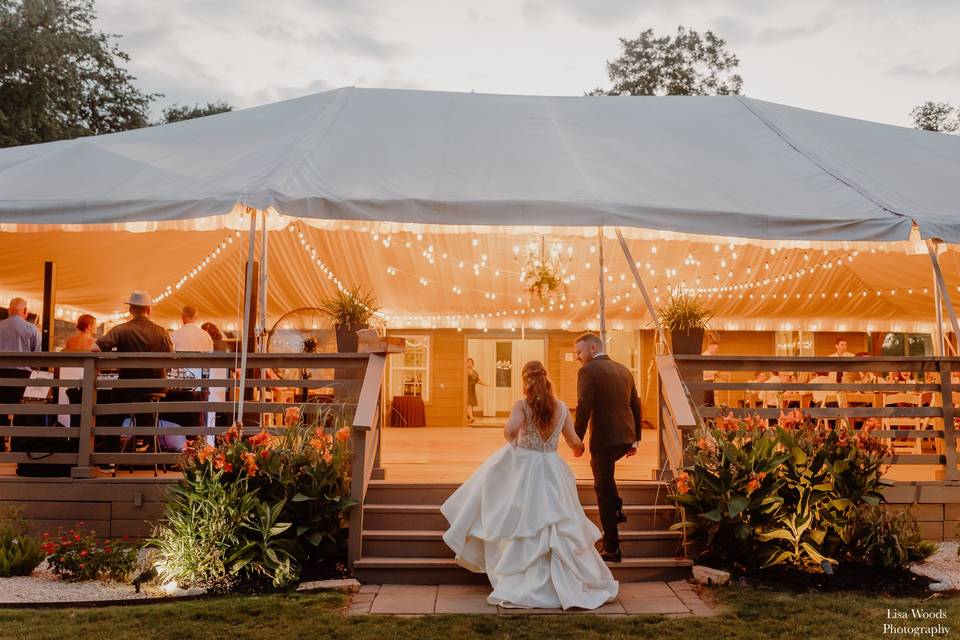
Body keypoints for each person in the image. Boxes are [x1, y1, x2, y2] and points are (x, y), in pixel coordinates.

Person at [441, 361, 618, 610]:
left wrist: (515, 438)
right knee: (556, 521)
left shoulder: (522, 406)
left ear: (526, 381)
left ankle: (522, 575)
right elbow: (575, 442)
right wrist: (579, 449)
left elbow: (509, 430)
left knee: (521, 516)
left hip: (526, 466)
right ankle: (565, 580)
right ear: (547, 380)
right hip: (552, 467)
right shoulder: (562, 408)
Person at [573, 333, 642, 563]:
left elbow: (583, 407)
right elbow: (636, 404)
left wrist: (577, 439)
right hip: (625, 436)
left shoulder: (588, 371)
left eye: (579, 352)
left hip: (604, 438)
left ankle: (612, 548)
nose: (577, 358)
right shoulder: (623, 369)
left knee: (602, 487)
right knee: (606, 480)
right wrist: (636, 440)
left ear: (593, 348)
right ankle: (618, 508)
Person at [0, 298, 41, 434]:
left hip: (0, 374)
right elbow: (38, 357)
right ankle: (18, 444)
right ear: (25, 311)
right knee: (20, 410)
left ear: (9, 310)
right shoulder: (32, 329)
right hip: (22, 376)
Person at [465, 357, 487, 424]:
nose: (469, 364)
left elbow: (478, 380)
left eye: (471, 363)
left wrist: (485, 384)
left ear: (473, 364)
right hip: (466, 390)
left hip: (472, 390)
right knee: (468, 404)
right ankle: (471, 418)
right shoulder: (464, 371)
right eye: (468, 362)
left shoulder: (475, 372)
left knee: (471, 405)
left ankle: (468, 418)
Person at [701, 339, 720, 406]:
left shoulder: (709, 356)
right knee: (707, 401)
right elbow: (705, 371)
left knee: (710, 402)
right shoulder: (705, 356)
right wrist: (716, 371)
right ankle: (706, 416)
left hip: (710, 381)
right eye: (715, 348)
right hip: (706, 381)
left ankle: (710, 416)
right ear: (710, 347)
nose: (716, 350)